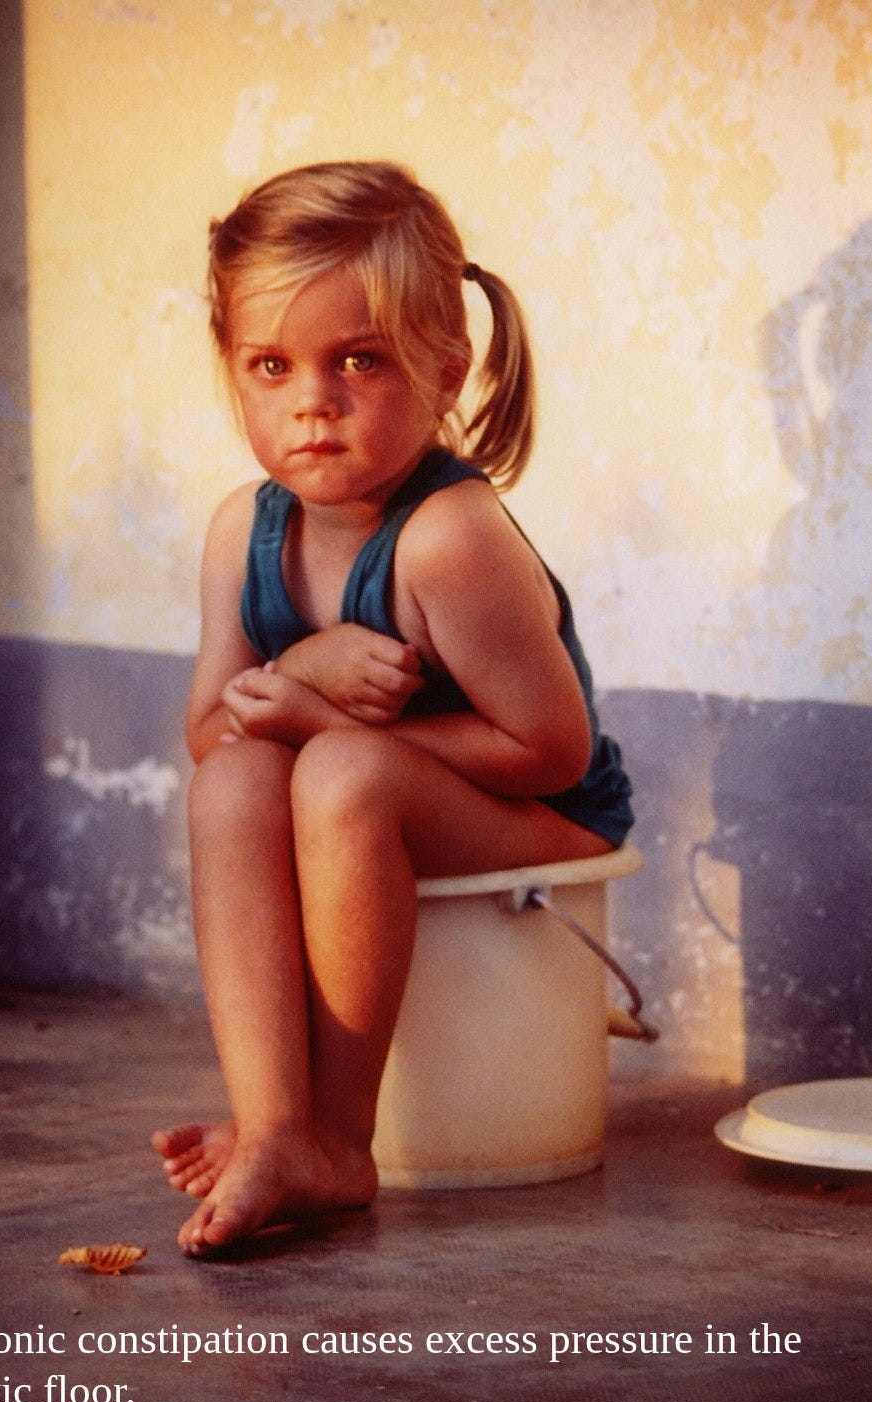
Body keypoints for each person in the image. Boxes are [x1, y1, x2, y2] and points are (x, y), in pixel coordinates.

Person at [152, 161, 633, 1257]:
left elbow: (554, 750)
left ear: (444, 367)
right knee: (234, 780)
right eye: (270, 365)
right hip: (380, 803)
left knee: (341, 773)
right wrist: (312, 669)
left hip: (541, 816)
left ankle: (339, 1138)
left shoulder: (447, 536)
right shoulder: (244, 530)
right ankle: (276, 1121)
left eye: (357, 360)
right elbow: (207, 736)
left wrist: (329, 726)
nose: (310, 400)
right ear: (232, 372)